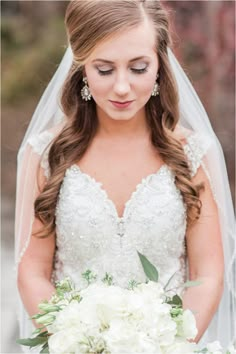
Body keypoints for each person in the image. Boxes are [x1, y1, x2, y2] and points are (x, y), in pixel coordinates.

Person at [15, 0, 235, 352]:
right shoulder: (45, 154)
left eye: (138, 68)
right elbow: (32, 271)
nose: (121, 88)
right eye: (104, 70)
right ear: (82, 68)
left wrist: (170, 344)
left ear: (160, 66)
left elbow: (208, 274)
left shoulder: (193, 154)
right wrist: (79, 344)